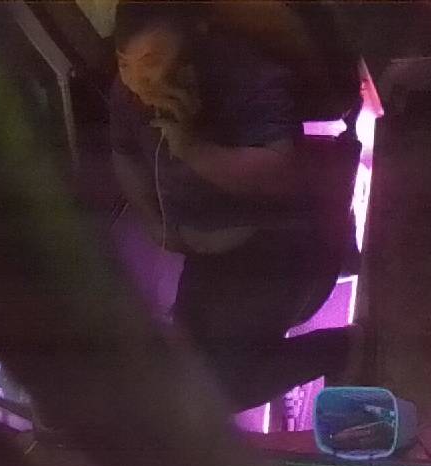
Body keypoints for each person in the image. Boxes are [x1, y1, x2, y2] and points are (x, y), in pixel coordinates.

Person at [109, 2, 363, 411]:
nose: (141, 80)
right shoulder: (130, 90)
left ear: (195, 37)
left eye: (153, 61)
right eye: (125, 64)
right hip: (205, 253)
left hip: (272, 242)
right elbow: (123, 151)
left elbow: (279, 174)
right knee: (185, 373)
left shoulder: (246, 75)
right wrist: (155, 222)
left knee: (222, 390)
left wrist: (193, 149)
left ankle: (343, 348)